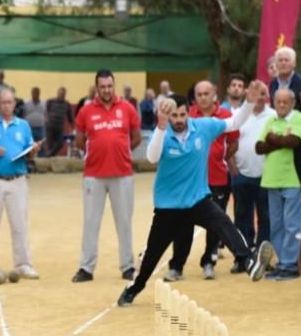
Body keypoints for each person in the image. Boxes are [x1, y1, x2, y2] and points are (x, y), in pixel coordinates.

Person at [116, 88, 275, 307]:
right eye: (174, 116)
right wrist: (161, 128)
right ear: (168, 116)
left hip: (197, 200)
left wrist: (248, 103)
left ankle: (248, 260)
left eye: (182, 115)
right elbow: (152, 157)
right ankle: (135, 287)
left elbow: (234, 123)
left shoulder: (203, 127)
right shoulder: (162, 134)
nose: (179, 120)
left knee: (223, 223)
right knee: (153, 254)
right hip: (168, 207)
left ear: (188, 113)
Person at [71, 69, 141, 282]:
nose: (106, 90)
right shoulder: (86, 111)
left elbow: (136, 137)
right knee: (91, 222)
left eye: (109, 86)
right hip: (94, 175)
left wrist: (122, 151)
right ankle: (86, 267)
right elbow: (80, 139)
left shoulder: (127, 109)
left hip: (122, 174)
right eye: (102, 87)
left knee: (124, 222)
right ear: (97, 88)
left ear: (114, 85)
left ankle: (128, 266)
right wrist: (95, 153)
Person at [167, 80, 238, 281]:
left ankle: (209, 261)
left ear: (215, 94)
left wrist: (218, 157)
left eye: (207, 93)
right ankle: (177, 266)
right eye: (199, 94)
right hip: (188, 182)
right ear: (194, 97)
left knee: (215, 223)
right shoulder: (186, 115)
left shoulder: (225, 116)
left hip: (217, 178)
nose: (203, 97)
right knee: (182, 224)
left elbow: (233, 143)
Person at [0, 89, 42, 280]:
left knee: (20, 222)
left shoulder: (23, 126)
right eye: (3, 102)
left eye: (10, 102)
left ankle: (23, 264)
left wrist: (33, 150)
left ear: (14, 104)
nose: (6, 106)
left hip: (17, 180)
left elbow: (29, 151)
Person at [255, 88, 301, 280]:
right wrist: (279, 140)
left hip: (292, 179)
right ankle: (282, 262)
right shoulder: (271, 120)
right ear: (274, 102)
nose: (282, 105)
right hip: (271, 180)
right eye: (278, 101)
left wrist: (271, 137)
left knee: (292, 224)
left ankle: (290, 264)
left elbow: (293, 141)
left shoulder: (299, 119)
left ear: (293, 103)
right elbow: (259, 147)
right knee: (276, 224)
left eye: (286, 102)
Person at [231, 84, 275, 258]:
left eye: (263, 93)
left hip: (266, 176)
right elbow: (229, 143)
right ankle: (243, 256)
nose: (259, 96)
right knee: (242, 217)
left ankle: (262, 256)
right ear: (247, 93)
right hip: (241, 174)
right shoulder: (238, 116)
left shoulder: (273, 116)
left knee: (266, 218)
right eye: (255, 92)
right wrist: (233, 168)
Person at [268, 46, 301, 113]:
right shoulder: (273, 83)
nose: (283, 63)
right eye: (280, 60)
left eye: (287, 60)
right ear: (276, 64)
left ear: (294, 63)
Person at [43, 87, 74, 156]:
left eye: (63, 94)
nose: (61, 95)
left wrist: (72, 126)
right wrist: (46, 118)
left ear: (65, 95)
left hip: (59, 127)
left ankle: (48, 155)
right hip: (50, 126)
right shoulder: (50, 101)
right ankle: (50, 158)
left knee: (60, 143)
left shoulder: (67, 104)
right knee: (50, 144)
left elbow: (70, 117)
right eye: (60, 93)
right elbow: (46, 112)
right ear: (57, 93)